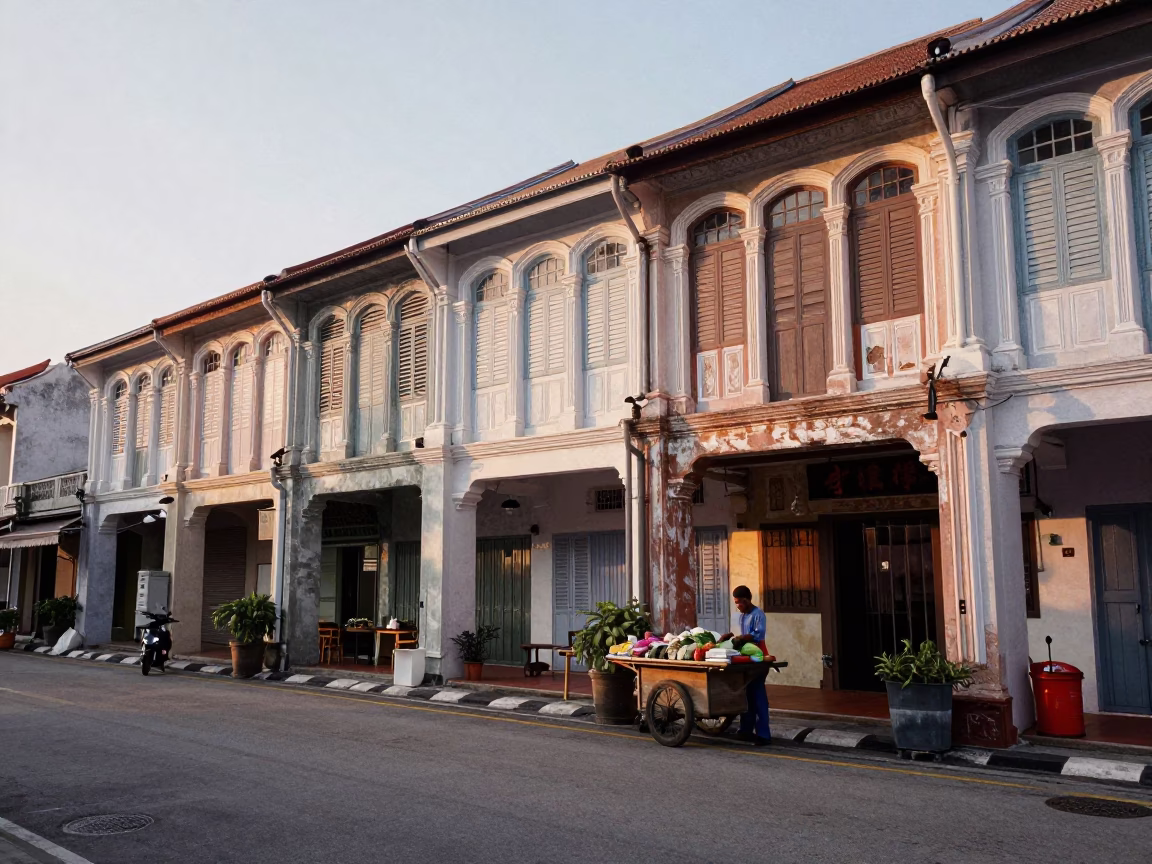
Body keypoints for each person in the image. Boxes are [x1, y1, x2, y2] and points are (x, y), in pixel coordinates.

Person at [732, 585, 771, 745]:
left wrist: (743, 638)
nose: (737, 606)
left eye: (739, 603)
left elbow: (757, 635)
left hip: (758, 657)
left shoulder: (758, 614)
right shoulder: (742, 616)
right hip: (746, 657)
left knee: (758, 695)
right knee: (746, 695)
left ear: (746, 600)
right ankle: (745, 730)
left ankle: (763, 735)